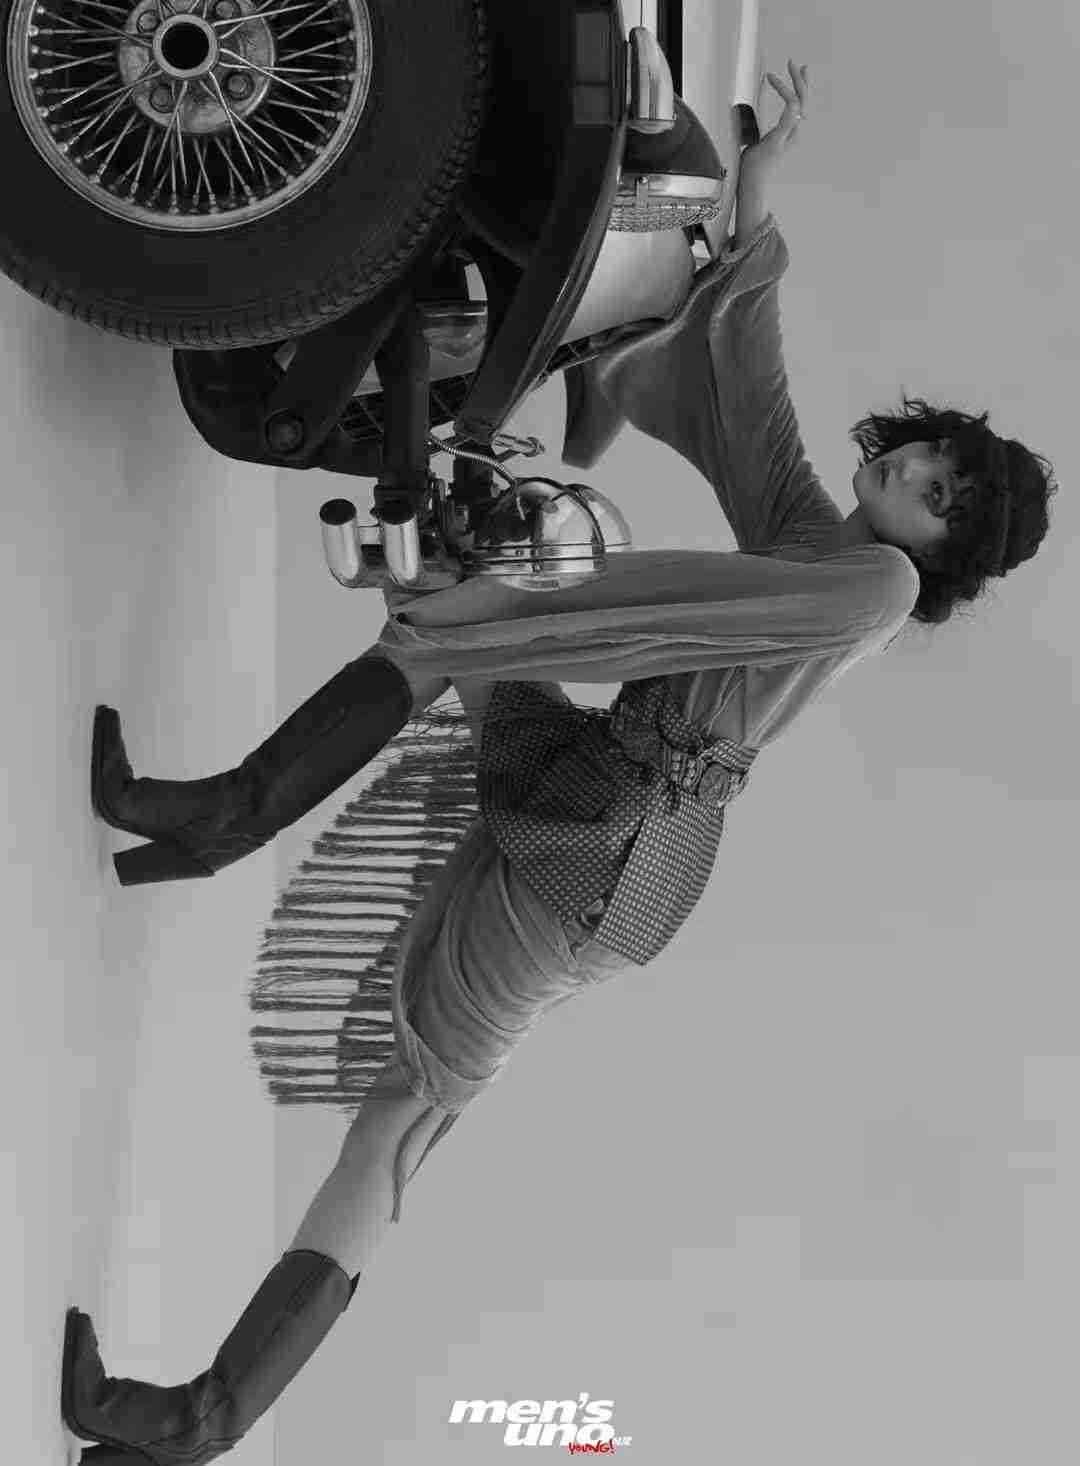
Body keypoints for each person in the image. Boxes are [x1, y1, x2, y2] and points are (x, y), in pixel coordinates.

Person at [63, 63, 1056, 1464]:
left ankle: (199, 1416)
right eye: (934, 458)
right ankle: (217, 816)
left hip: (603, 858)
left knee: (396, 1124)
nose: (916, 480)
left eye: (942, 502)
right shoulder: (825, 542)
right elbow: (755, 395)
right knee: (448, 616)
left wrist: (538, 598)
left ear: (941, 556)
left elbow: (674, 598)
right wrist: (761, 196)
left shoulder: (873, 592)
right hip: (596, 800)